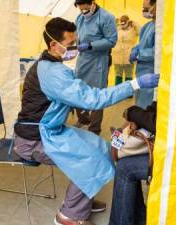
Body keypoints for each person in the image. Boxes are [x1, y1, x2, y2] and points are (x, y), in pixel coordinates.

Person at [13, 17, 159, 225]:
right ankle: (69, 216)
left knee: (102, 147)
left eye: (75, 42)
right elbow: (92, 100)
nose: (75, 47)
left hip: (53, 130)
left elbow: (77, 92)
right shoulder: (51, 73)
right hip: (35, 138)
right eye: (71, 44)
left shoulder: (51, 65)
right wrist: (133, 84)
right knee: (89, 160)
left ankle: (81, 202)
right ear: (54, 45)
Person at [109, 101, 157, 225]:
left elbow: (160, 124)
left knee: (125, 169)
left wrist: (133, 113)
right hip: (170, 150)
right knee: (125, 163)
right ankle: (139, 218)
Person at [73, 0, 118, 135]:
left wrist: (91, 45)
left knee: (97, 95)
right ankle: (83, 119)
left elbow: (111, 40)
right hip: (83, 59)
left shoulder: (106, 17)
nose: (83, 13)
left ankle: (94, 128)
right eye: (81, 10)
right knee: (78, 89)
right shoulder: (80, 18)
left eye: (86, 10)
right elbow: (76, 36)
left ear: (92, 3)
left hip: (99, 61)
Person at [129, 0, 157, 109]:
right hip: (141, 72)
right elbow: (140, 44)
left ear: (156, 7)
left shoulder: (162, 27)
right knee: (139, 103)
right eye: (143, 8)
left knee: (146, 106)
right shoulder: (147, 26)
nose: (144, 11)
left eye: (146, 8)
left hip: (151, 72)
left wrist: (139, 54)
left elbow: (157, 51)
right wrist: (134, 50)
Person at [112, 15, 139, 85]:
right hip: (117, 56)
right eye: (121, 23)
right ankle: (117, 92)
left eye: (124, 23)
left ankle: (128, 92)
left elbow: (141, 32)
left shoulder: (133, 29)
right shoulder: (117, 29)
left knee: (129, 74)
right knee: (118, 74)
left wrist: (134, 23)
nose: (122, 25)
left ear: (128, 22)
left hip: (129, 56)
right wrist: (114, 23)